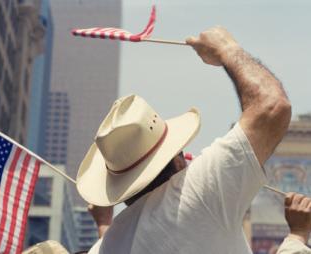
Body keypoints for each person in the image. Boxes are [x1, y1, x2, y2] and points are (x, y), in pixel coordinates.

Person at [76, 26, 291, 253]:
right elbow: (272, 106)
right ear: (178, 160)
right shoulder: (196, 192)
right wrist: (227, 49)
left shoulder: (105, 247)